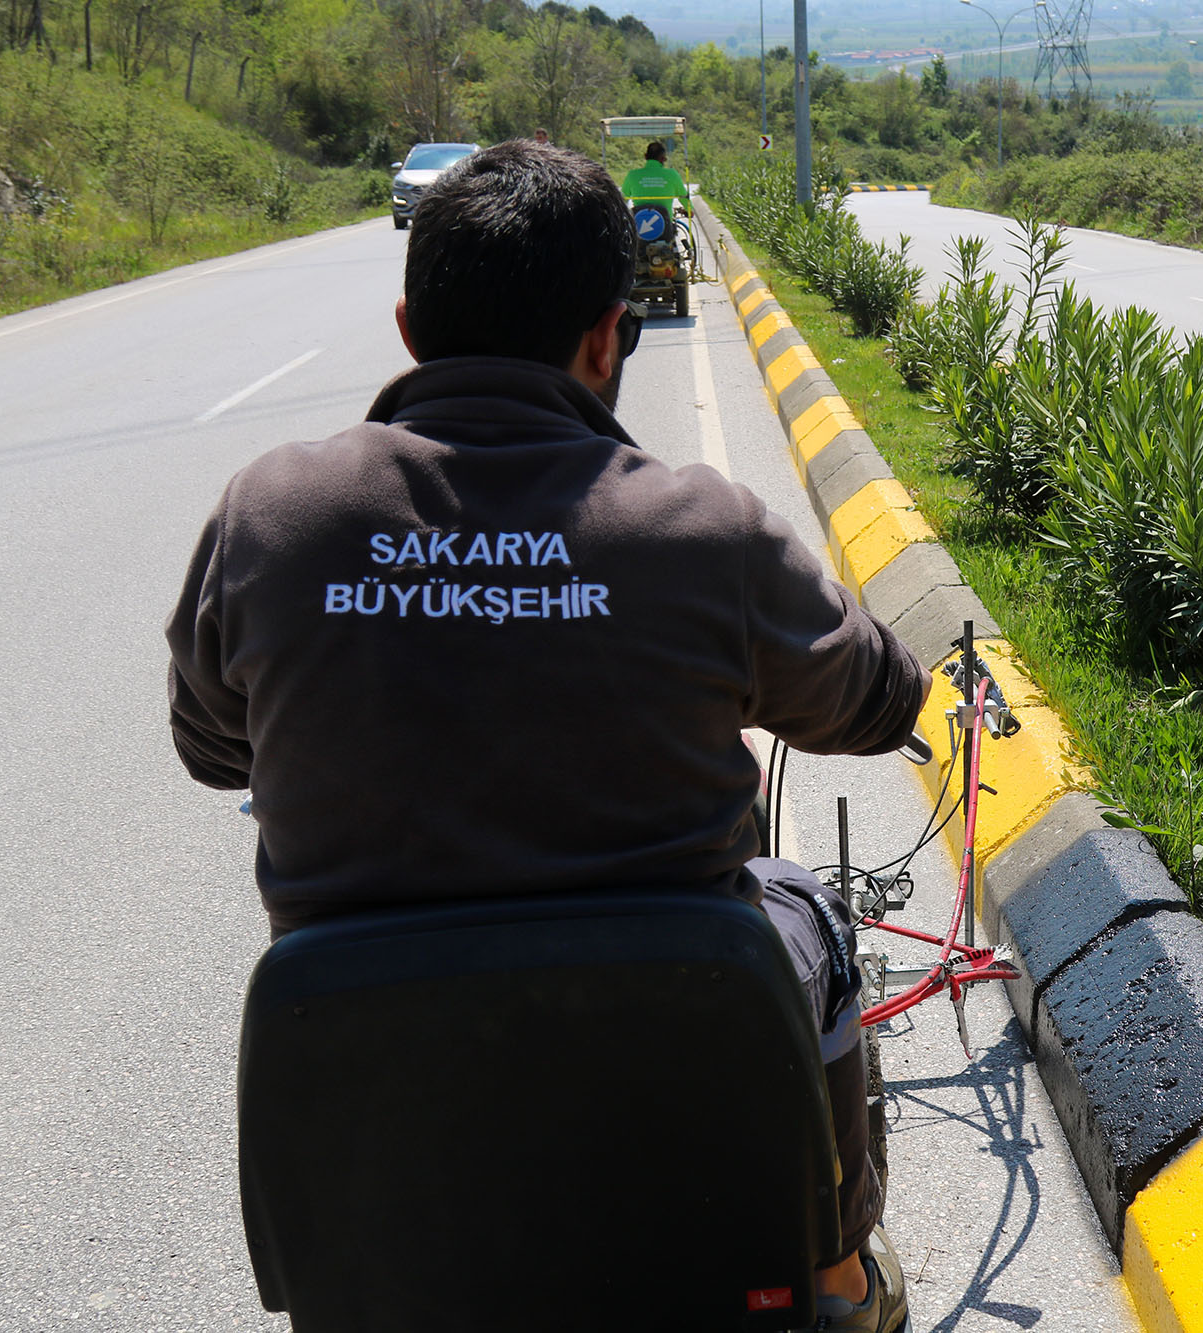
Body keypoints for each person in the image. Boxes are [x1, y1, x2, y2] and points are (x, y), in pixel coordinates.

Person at [165, 139, 922, 1333]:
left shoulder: (273, 510)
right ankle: (835, 1281)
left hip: (366, 1054)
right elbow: (875, 703)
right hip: (676, 1027)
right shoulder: (702, 527)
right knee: (808, 913)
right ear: (606, 336)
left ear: (411, 327)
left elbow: (211, 746)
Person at [621, 138, 691, 218]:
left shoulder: (632, 175)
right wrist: (689, 210)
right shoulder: (672, 175)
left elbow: (623, 199)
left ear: (645, 156)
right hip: (666, 225)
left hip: (639, 225)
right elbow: (683, 196)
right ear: (663, 159)